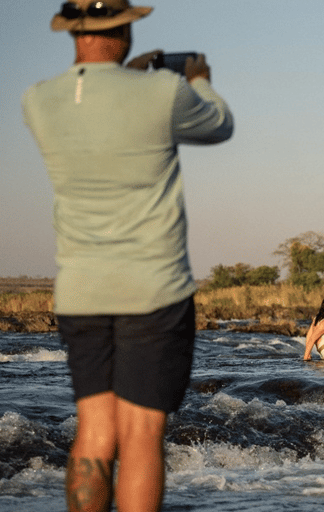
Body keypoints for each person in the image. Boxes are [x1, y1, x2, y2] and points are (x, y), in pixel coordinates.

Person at [22, 2, 234, 511]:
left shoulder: (38, 100)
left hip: (80, 292)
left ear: (72, 30)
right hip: (153, 291)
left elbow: (95, 105)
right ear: (126, 28)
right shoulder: (165, 92)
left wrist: (125, 77)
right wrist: (199, 79)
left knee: (95, 430)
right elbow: (219, 125)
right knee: (141, 434)